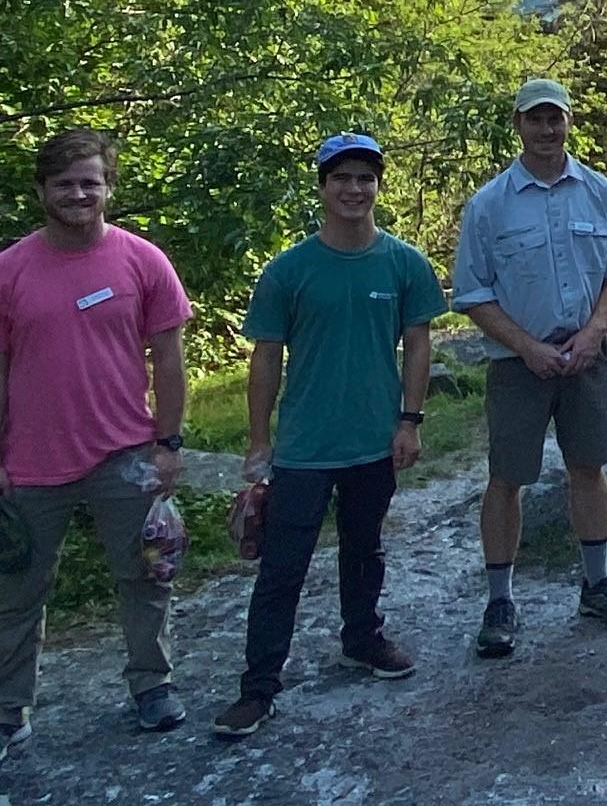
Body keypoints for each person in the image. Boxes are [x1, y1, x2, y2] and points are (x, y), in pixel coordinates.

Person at [212, 133, 444, 738]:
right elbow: (266, 357)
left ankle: (362, 640)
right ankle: (259, 688)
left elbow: (418, 343)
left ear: (378, 186)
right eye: (341, 177)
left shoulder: (403, 264)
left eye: (365, 178)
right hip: (304, 450)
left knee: (365, 550)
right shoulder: (289, 270)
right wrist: (259, 439)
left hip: (374, 442)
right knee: (282, 568)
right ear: (322, 186)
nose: (353, 189)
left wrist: (409, 421)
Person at [0, 130, 192, 747]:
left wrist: (169, 443)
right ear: (42, 192)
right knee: (15, 588)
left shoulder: (142, 260)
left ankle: (152, 686)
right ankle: (8, 708)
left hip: (126, 453)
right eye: (65, 183)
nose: (79, 193)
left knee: (146, 577)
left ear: (108, 187)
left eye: (90, 181)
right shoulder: (9, 270)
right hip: (29, 461)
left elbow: (168, 359)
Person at [452, 78, 607, 659]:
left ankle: (597, 583)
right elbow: (473, 292)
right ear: (518, 125)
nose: (546, 130)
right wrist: (528, 347)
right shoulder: (489, 205)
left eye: (554, 118)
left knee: (589, 466)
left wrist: (592, 335)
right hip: (518, 364)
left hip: (587, 357)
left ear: (567, 122)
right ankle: (500, 600)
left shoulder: (600, 192)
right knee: (507, 477)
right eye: (535, 120)